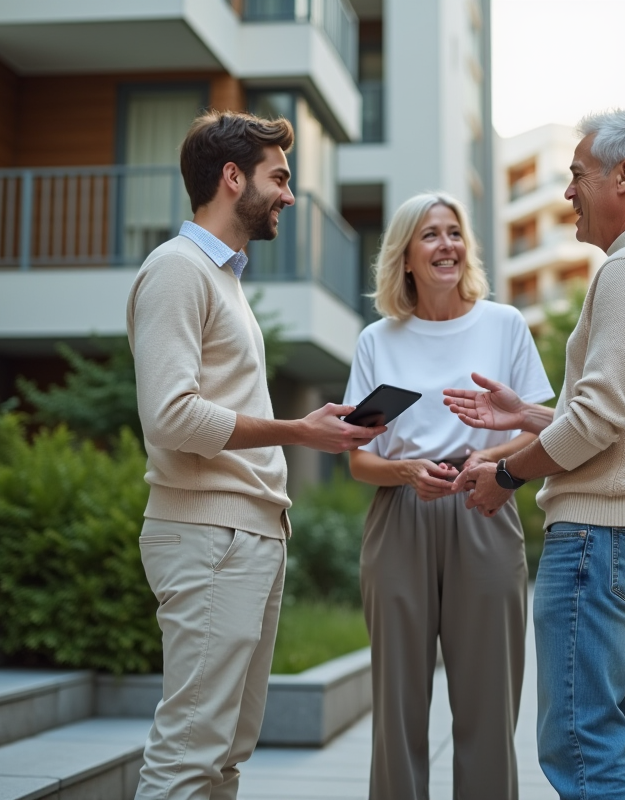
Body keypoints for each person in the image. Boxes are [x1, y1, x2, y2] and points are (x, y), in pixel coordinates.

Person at [444, 109, 625, 800]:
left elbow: (597, 419)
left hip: (603, 539)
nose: (567, 193)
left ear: (624, 177)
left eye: (577, 176)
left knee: (581, 742)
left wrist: (505, 471)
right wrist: (530, 415)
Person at [126, 109, 387, 800]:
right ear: (232, 177)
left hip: (248, 532)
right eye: (280, 178)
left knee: (226, 752)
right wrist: (298, 432)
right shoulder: (178, 270)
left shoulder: (224, 280)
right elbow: (171, 415)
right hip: (208, 534)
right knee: (190, 749)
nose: (290, 195)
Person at [343, 192, 554, 800]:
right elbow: (359, 459)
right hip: (400, 516)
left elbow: (537, 428)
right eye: (431, 235)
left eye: (455, 233)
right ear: (405, 256)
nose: (447, 246)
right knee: (398, 707)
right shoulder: (379, 340)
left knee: (488, 704)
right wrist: (407, 472)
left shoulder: (503, 325)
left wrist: (485, 458)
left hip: (483, 503)